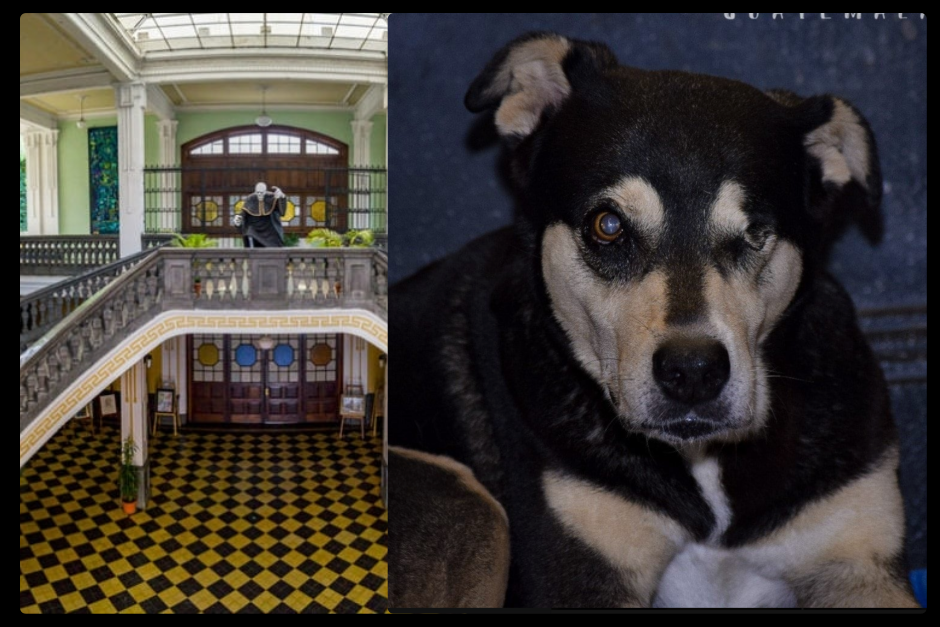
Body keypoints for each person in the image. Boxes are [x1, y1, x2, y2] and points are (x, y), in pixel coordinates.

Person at [234, 182, 286, 248]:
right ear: (255, 191)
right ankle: (251, 254)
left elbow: (282, 212)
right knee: (249, 232)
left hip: (269, 227)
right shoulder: (250, 198)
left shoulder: (272, 196)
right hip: (254, 228)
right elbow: (243, 213)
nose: (259, 194)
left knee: (275, 237)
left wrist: (282, 197)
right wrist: (238, 220)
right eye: (257, 192)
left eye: (261, 192)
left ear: (265, 191)